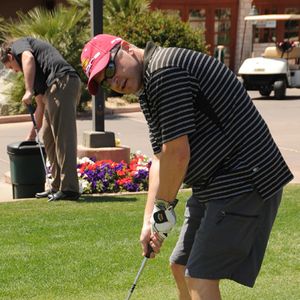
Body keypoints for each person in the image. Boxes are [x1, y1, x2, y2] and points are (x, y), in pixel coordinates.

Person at [80, 34, 294, 299]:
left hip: (246, 177)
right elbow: (160, 157)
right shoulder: (148, 85)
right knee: (180, 265)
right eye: (105, 82)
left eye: (110, 69)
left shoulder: (164, 71)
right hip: (215, 181)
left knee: (200, 276)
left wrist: (163, 208)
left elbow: (177, 154)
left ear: (125, 47)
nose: (114, 82)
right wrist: (150, 220)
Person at [0, 37, 81, 201]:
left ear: (10, 55)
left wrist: (28, 90)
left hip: (62, 82)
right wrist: (29, 138)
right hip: (53, 89)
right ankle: (57, 186)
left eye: (11, 67)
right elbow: (39, 107)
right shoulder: (37, 75)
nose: (15, 71)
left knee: (63, 137)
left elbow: (28, 57)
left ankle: (70, 189)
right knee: (47, 137)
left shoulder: (18, 45)